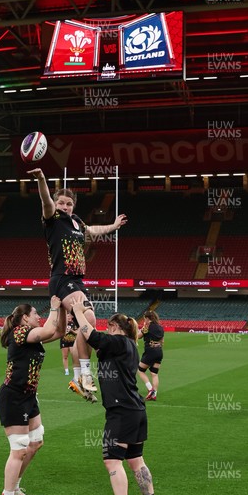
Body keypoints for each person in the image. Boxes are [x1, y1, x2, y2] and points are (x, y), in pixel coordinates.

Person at [28, 167, 127, 402]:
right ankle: (85, 374)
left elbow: (92, 231)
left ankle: (75, 374)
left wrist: (113, 227)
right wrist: (42, 179)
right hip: (62, 279)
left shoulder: (76, 222)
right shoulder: (52, 219)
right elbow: (45, 201)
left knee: (61, 331)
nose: (64, 207)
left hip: (76, 281)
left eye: (69, 204)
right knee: (89, 319)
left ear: (73, 206)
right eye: (61, 202)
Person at [72, 297, 162, 495]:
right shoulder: (128, 344)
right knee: (136, 461)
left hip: (121, 411)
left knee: (112, 459)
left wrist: (77, 310)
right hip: (135, 410)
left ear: (117, 328)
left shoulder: (119, 342)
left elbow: (90, 334)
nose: (106, 329)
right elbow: (90, 341)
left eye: (109, 326)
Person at [0, 296, 65, 495]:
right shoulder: (20, 332)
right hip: (14, 397)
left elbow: (59, 331)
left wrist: (63, 310)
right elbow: (47, 331)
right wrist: (55, 307)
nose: (39, 316)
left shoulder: (32, 337)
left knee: (36, 442)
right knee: (18, 450)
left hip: (29, 396)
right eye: (36, 314)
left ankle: (14, 489)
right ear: (25, 318)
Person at [137, 310, 164, 401]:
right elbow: (162, 341)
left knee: (140, 370)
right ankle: (154, 394)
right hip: (159, 352)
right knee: (154, 373)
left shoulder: (147, 326)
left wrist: (141, 329)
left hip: (150, 351)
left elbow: (139, 336)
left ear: (147, 318)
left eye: (145, 318)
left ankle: (150, 389)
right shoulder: (160, 327)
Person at [60, 312, 78, 376]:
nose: (68, 317)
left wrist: (71, 331)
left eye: (69, 316)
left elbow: (77, 333)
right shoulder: (62, 324)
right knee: (65, 356)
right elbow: (59, 332)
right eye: (67, 316)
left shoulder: (74, 323)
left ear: (71, 317)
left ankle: (76, 369)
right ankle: (66, 371)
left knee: (74, 356)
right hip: (64, 341)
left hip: (72, 341)